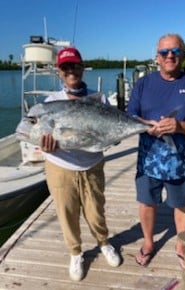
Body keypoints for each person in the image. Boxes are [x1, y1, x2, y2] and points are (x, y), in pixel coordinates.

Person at [127, 34, 185, 268]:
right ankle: (148, 243)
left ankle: (181, 244)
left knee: (182, 204)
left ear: (183, 54)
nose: (170, 56)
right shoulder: (143, 83)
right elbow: (130, 114)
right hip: (148, 159)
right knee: (146, 202)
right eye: (164, 52)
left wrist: (180, 126)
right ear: (157, 57)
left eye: (175, 51)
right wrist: (147, 125)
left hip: (181, 161)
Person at [40, 47, 121, 281]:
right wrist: (44, 144)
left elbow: (109, 132)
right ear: (59, 72)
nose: (71, 71)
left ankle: (104, 242)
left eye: (75, 65)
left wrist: (112, 137)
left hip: (92, 164)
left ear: (83, 67)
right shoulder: (51, 103)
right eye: (65, 67)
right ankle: (76, 253)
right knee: (67, 214)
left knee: (96, 212)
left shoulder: (98, 98)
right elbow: (45, 132)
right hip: (60, 167)